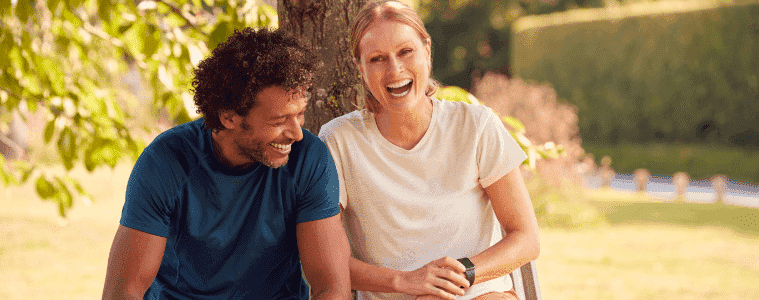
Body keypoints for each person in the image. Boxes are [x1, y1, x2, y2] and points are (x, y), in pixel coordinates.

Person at [102, 27, 351, 300]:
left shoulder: (308, 158)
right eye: (279, 121)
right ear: (229, 117)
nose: (297, 133)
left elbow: (331, 287)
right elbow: (123, 292)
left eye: (300, 115)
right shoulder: (166, 162)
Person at [318, 1, 540, 300]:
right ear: (360, 67)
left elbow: (526, 239)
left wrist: (459, 275)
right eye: (377, 58)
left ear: (427, 50)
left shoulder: (476, 126)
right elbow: (324, 261)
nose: (394, 69)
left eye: (405, 51)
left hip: (479, 293)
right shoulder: (339, 141)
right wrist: (406, 281)